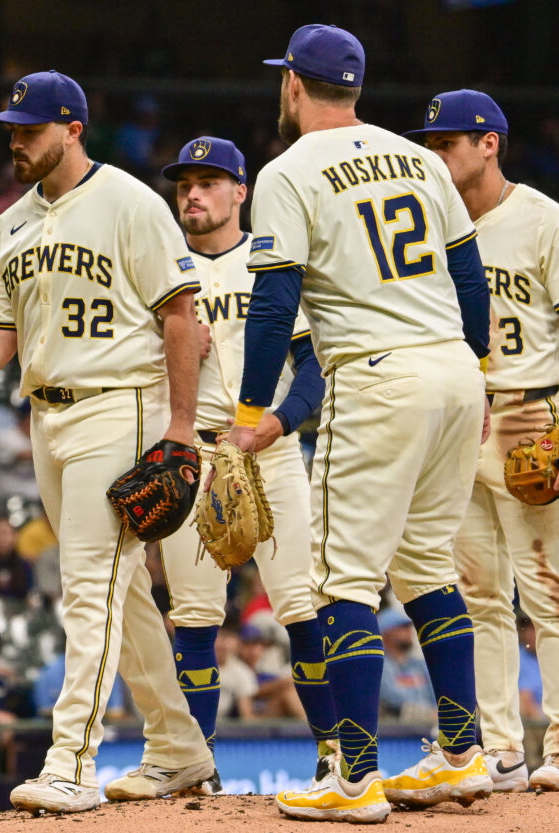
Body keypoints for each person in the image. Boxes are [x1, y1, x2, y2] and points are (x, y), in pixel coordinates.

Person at [0, 70, 213, 813]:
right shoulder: (9, 222)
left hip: (119, 405)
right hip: (47, 415)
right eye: (10, 131)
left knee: (87, 587)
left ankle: (71, 761)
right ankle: (181, 747)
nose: (15, 142)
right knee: (121, 591)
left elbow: (182, 316)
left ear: (72, 129)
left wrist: (182, 429)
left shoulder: (129, 202)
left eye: (28, 130)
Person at [225, 26, 493, 822]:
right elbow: (470, 276)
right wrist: (475, 373)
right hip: (450, 367)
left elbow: (274, 306)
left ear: (295, 86)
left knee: (340, 580)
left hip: (376, 376)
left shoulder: (287, 170)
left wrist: (247, 413)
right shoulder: (417, 159)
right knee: (425, 566)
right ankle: (461, 752)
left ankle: (354, 778)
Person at [155, 136, 337, 788]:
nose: (193, 194)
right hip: (194, 450)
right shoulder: (160, 268)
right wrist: (167, 351)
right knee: (194, 617)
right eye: (184, 184)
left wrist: (276, 423)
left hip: (273, 450)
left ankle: (333, 753)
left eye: (209, 182)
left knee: (303, 605)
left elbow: (315, 368)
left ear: (241, 191)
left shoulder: (274, 260)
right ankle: (196, 765)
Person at [408, 89, 559, 793]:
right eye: (431, 145)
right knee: (477, 596)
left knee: (550, 596)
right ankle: (501, 747)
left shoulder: (541, 219)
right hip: (460, 420)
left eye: (447, 143)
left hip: (533, 417)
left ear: (489, 143)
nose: (436, 155)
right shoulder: (426, 227)